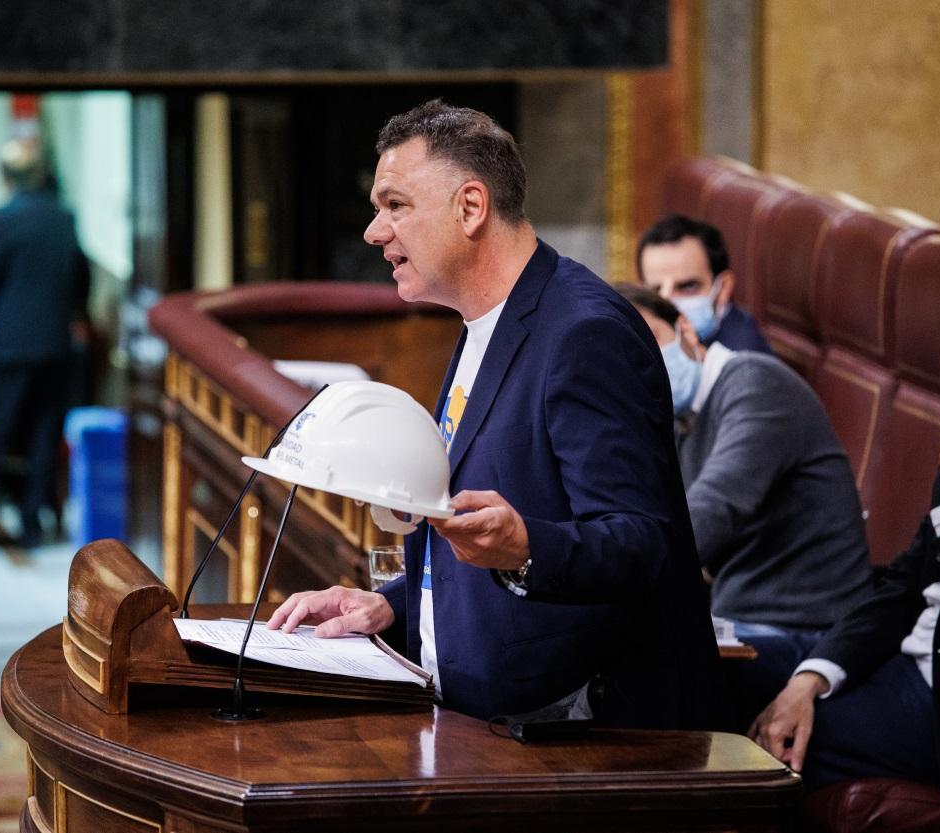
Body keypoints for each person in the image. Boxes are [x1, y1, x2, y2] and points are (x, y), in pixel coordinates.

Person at [267, 100, 721, 728]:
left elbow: (643, 543)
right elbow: (477, 525)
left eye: (394, 206)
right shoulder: (485, 319)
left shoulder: (585, 333)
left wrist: (527, 547)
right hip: (478, 712)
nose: (374, 232)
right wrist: (390, 606)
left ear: (471, 207)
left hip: (574, 736)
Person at [750, 301, 940, 820]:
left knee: (767, 742)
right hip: (902, 659)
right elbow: (900, 589)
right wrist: (810, 680)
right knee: (720, 670)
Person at [614, 283, 872, 723]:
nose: (643, 364)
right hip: (737, 619)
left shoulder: (755, 382)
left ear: (687, 332)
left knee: (628, 675)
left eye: (649, 340)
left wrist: (603, 572)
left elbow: (711, 513)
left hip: (804, 632)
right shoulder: (675, 418)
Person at [0, 138, 90, 548]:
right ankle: (33, 523)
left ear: (5, 176)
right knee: (43, 434)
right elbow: (81, 276)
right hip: (54, 346)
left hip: (7, 348)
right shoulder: (63, 217)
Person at [637, 214, 771, 354]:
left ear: (723, 287)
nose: (667, 301)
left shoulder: (742, 363)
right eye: (655, 290)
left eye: (688, 286)